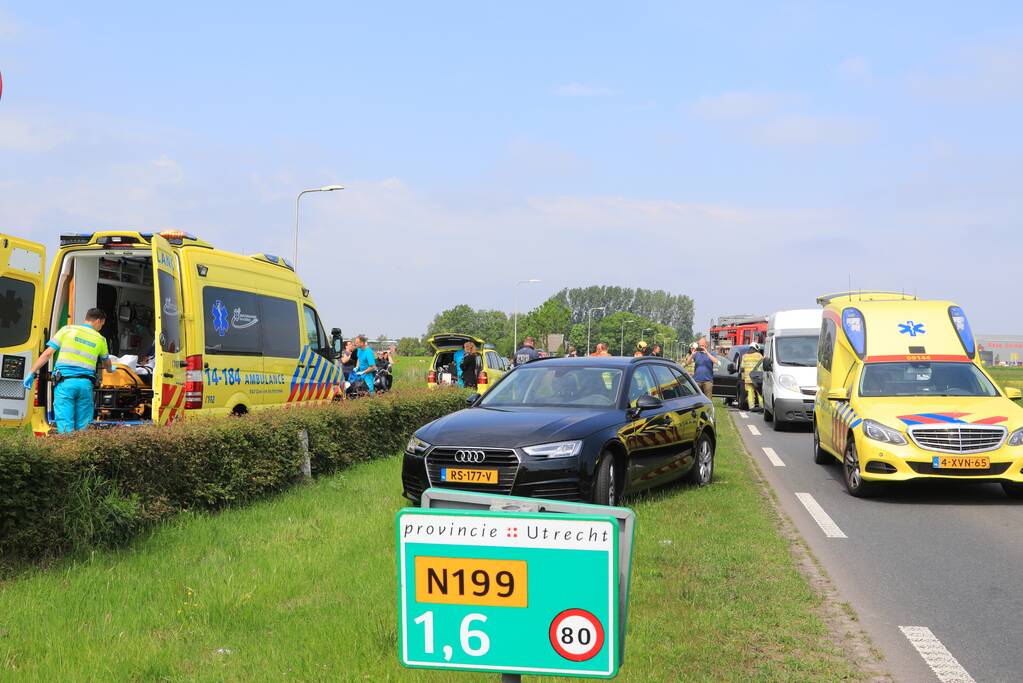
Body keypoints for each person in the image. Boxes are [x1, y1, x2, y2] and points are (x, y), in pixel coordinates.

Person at [23, 308, 113, 433]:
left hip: (65, 384)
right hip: (85, 385)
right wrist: (111, 369)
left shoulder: (67, 330)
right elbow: (107, 362)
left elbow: (47, 354)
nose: (101, 327)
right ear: (98, 321)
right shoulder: (101, 339)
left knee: (65, 424)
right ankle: (81, 450)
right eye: (102, 324)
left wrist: (32, 372)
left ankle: (67, 450)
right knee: (83, 426)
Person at [741, 342, 764, 411]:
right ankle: (762, 406)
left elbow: (742, 368)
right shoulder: (759, 356)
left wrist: (743, 378)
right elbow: (762, 366)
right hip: (757, 378)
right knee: (759, 392)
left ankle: (751, 407)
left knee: (750, 392)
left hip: (748, 378)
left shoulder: (744, 356)